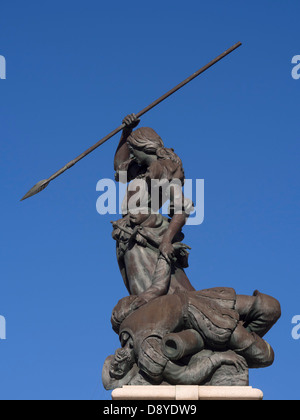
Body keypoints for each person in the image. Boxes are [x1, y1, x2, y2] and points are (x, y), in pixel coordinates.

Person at [112, 114, 195, 296]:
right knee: (138, 290)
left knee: (148, 293)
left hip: (146, 233)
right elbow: (119, 166)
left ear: (145, 146)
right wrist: (126, 132)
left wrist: (166, 240)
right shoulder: (140, 170)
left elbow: (181, 209)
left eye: (133, 150)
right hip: (129, 233)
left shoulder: (164, 167)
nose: (131, 154)